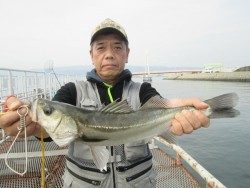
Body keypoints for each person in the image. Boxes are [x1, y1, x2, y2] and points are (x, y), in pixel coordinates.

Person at [0, 18, 209, 188]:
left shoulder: (143, 91)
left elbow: (160, 105)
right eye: (101, 48)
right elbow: (46, 131)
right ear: (91, 55)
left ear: (127, 54)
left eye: (117, 48)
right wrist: (33, 126)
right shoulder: (71, 91)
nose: (109, 54)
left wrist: (181, 111)